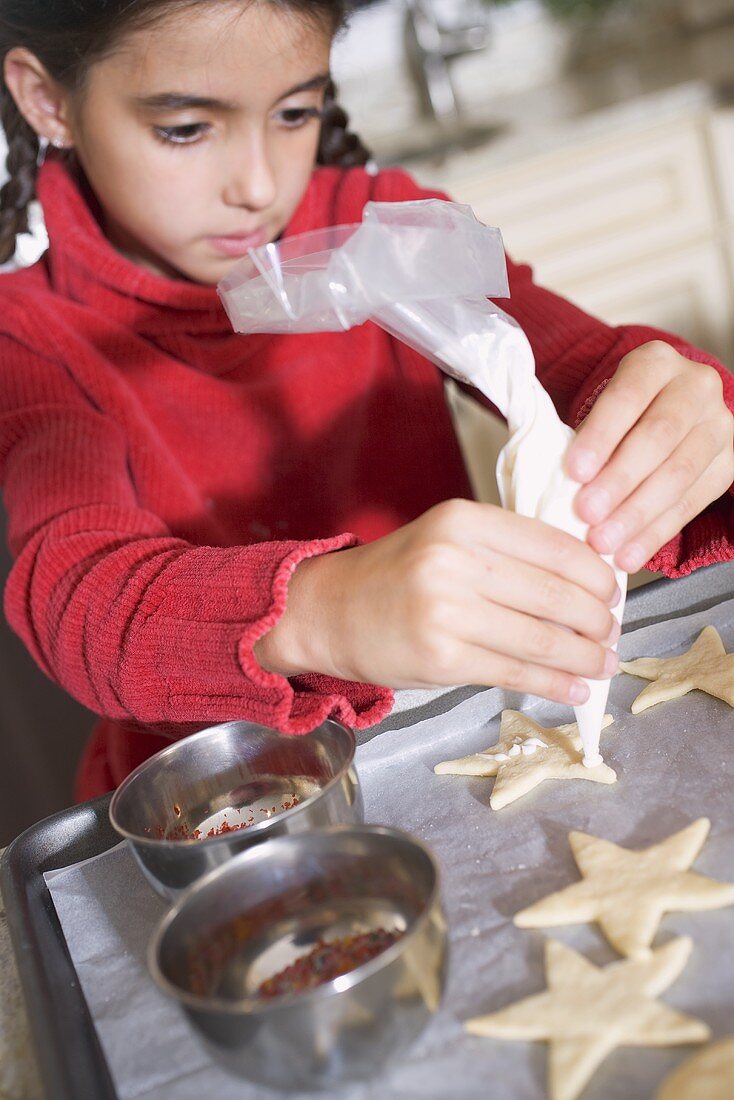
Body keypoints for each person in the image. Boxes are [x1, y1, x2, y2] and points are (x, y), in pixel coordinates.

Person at [0, 0, 732, 803]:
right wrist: (322, 616)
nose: (258, 185)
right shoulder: (30, 337)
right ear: (47, 100)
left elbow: (575, 357)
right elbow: (78, 600)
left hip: (447, 735)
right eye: (185, 129)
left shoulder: (372, 230)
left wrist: (680, 405)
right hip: (219, 803)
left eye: (294, 113)